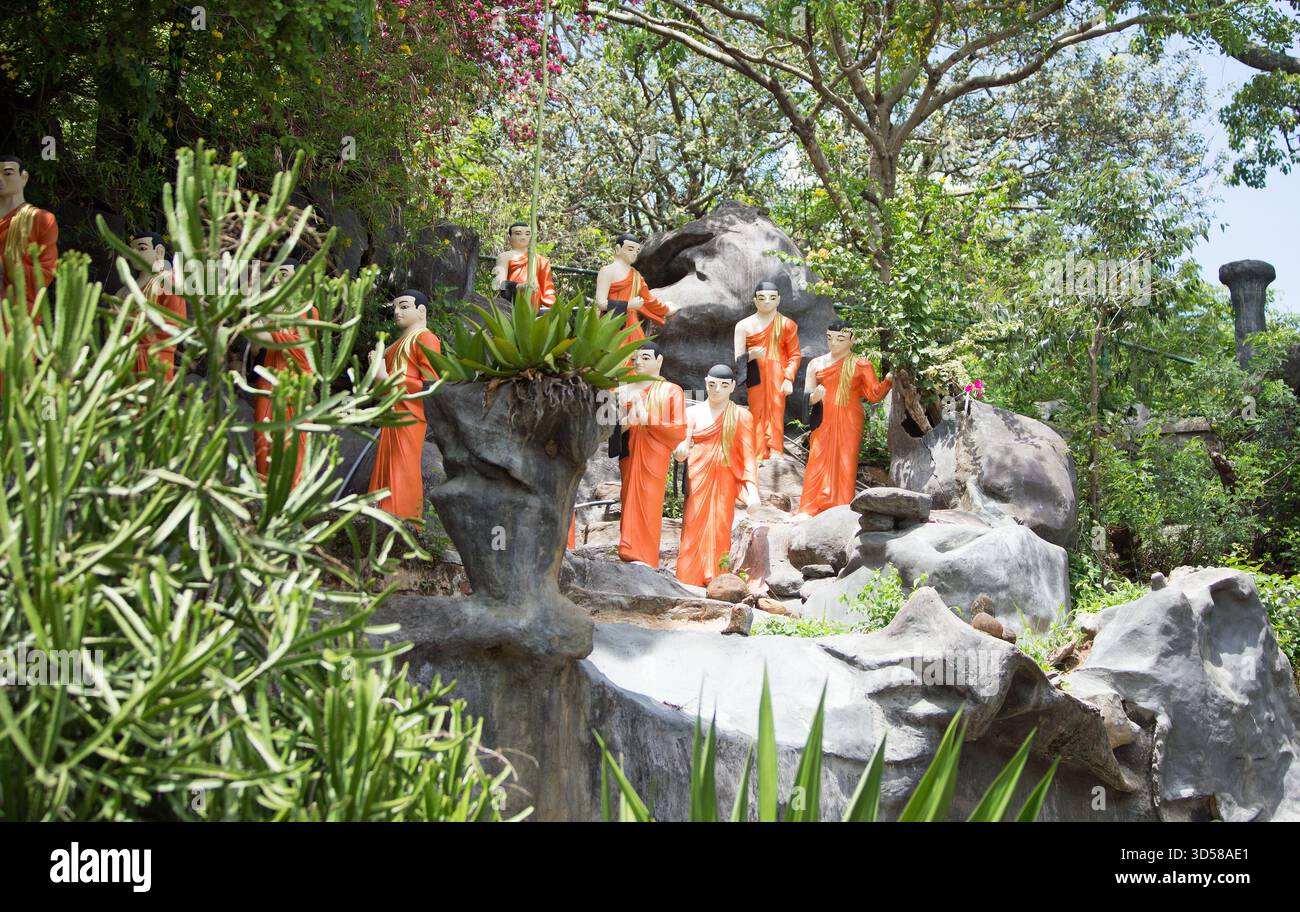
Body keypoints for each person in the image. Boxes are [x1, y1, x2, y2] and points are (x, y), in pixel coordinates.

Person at [797, 320, 893, 517]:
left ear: (852, 340)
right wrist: (813, 398)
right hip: (823, 414)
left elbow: (874, 394)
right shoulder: (816, 363)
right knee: (817, 456)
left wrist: (889, 380)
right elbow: (806, 394)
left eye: (840, 339)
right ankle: (809, 506)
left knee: (846, 459)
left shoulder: (861, 364)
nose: (833, 343)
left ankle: (841, 507)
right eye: (830, 338)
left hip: (850, 417)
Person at [674, 364, 759, 587]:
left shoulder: (742, 416)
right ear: (705, 383)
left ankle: (716, 577)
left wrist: (752, 491)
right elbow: (682, 443)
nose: (717, 390)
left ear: (732, 386)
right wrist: (681, 450)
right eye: (712, 384)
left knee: (721, 525)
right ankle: (687, 576)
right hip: (697, 475)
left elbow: (749, 456)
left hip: (725, 479)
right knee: (692, 524)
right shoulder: (692, 412)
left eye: (723, 385)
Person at [368, 289, 441, 521]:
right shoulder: (395, 346)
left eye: (404, 306)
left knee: (403, 468)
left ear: (421, 311)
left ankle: (403, 520)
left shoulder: (426, 338)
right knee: (383, 467)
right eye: (395, 308)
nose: (397, 312)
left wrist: (389, 377)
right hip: (390, 411)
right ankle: (378, 516)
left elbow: (430, 386)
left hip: (410, 414)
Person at [613, 342, 686, 566]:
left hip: (655, 453)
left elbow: (678, 429)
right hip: (630, 452)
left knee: (650, 499)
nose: (638, 362)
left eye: (645, 357)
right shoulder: (621, 390)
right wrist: (628, 422)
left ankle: (646, 554)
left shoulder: (672, 390)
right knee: (629, 496)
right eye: (636, 358)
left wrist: (648, 419)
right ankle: (627, 546)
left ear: (659, 361)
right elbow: (608, 428)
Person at [249, 259, 316, 484]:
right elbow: (256, 345)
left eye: (285, 274)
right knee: (262, 438)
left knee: (290, 442)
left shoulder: (308, 310)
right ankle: (264, 493)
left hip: (293, 383)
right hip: (268, 381)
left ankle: (290, 494)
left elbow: (301, 346)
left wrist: (264, 325)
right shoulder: (271, 312)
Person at [734, 280, 800, 460]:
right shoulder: (743, 325)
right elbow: (738, 357)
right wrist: (751, 355)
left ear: (778, 300)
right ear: (755, 301)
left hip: (778, 374)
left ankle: (775, 450)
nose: (767, 302)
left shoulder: (787, 324)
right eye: (762, 298)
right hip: (756, 374)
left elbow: (794, 355)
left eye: (771, 298)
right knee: (756, 410)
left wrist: (788, 378)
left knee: (776, 411)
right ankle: (756, 452)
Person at [0, 155, 58, 316]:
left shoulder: (41, 220)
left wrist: (6, 265)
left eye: (8, 173)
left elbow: (45, 275)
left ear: (23, 177)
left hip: (17, 314)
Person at [126, 232, 187, 381]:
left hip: (154, 355)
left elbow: (175, 322)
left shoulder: (166, 282)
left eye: (141, 248)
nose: (133, 253)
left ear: (159, 252)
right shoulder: (127, 287)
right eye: (131, 249)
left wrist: (140, 328)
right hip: (125, 353)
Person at [595, 233, 676, 345]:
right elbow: (601, 303)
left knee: (636, 355)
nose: (634, 253)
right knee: (614, 356)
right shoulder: (607, 271)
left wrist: (666, 309)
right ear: (618, 249)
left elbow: (648, 299)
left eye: (637, 251)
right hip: (611, 323)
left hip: (631, 323)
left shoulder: (636, 275)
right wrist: (628, 305)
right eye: (630, 249)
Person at [492, 222, 555, 311]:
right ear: (509, 238)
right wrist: (518, 287)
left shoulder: (540, 260)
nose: (523, 237)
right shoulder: (504, 257)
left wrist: (553, 308)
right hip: (512, 304)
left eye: (527, 234)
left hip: (534, 307)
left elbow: (547, 289)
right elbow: (499, 284)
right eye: (518, 233)